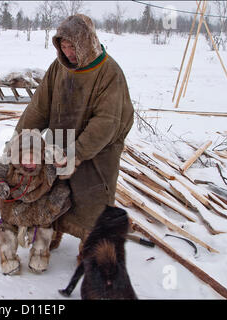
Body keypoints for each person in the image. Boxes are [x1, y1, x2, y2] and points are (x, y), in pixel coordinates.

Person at [10, 14, 135, 257]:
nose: (68, 52)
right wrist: (20, 140)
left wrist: (76, 153)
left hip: (97, 152)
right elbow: (39, 107)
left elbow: (107, 122)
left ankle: (91, 251)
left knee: (92, 200)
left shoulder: (109, 72)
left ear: (86, 43)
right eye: (63, 46)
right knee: (55, 193)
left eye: (72, 46)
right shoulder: (59, 68)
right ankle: (52, 233)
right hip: (59, 144)